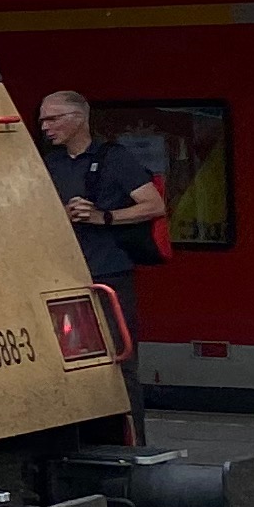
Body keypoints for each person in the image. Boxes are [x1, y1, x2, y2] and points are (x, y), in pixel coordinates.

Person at [36, 88, 168, 347]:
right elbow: (35, 214)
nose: (45, 127)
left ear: (78, 117)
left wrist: (103, 217)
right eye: (42, 120)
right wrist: (64, 214)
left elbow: (154, 206)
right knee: (69, 349)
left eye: (52, 119)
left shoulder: (114, 157)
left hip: (109, 270)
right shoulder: (50, 163)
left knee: (117, 347)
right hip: (63, 272)